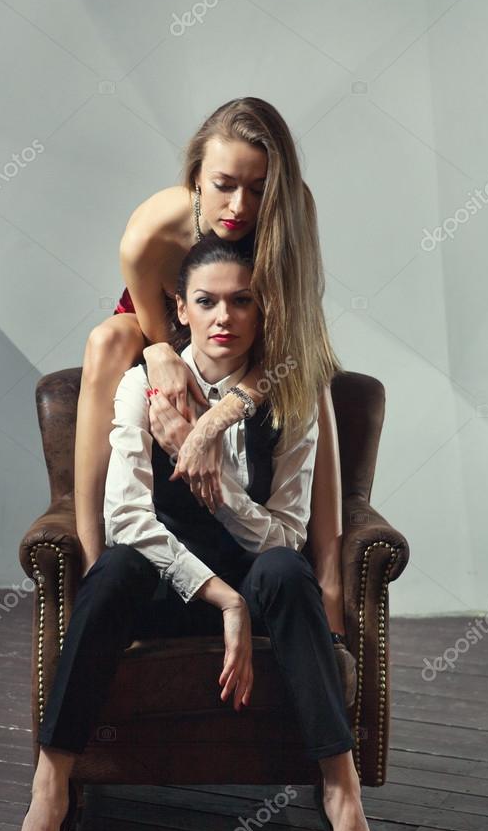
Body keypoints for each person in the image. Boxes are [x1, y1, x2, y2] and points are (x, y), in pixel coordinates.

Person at [10, 237, 383, 831]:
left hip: (257, 580)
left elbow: (286, 532)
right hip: (166, 585)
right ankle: (51, 785)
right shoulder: (140, 385)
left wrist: (207, 463)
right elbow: (128, 518)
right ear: (180, 308)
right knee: (114, 569)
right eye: (207, 301)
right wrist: (221, 599)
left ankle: (340, 787)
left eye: (242, 301)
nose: (224, 317)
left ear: (262, 309)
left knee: (284, 570)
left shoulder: (290, 398)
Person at [74, 97, 346, 651]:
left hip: (256, 333)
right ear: (196, 177)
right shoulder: (150, 233)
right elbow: (156, 333)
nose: (240, 206)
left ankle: (330, 582)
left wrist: (210, 425)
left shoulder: (292, 213)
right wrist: (159, 354)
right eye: (224, 185)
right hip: (169, 323)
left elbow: (291, 350)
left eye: (258, 188)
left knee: (313, 378)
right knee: (106, 341)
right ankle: (90, 564)